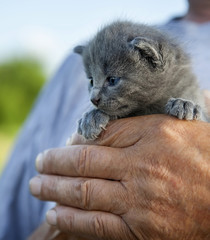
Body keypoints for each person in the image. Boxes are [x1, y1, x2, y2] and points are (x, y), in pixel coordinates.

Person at [0, 0, 210, 239]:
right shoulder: (71, 69)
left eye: (111, 81)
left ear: (153, 59)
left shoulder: (164, 65)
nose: (94, 97)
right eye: (91, 81)